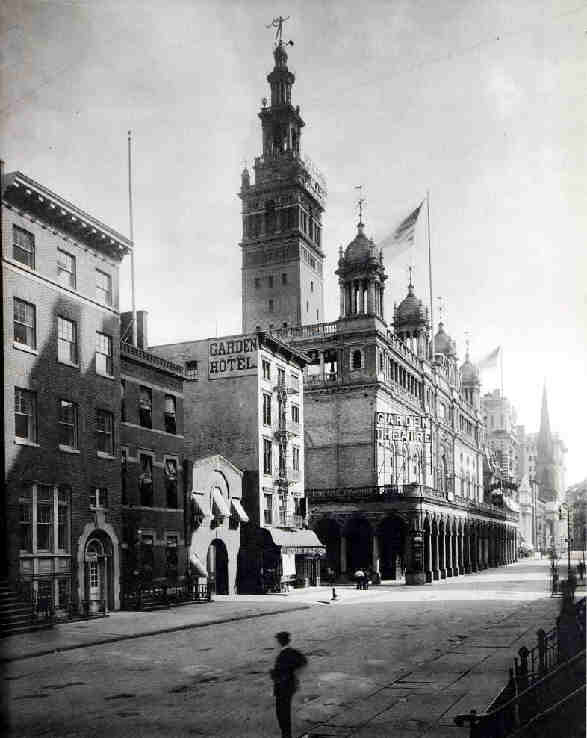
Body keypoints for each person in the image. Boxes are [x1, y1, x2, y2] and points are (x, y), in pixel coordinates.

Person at [270, 631, 307, 738]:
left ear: (279, 642)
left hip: (283, 688)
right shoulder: (293, 652)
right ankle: (286, 734)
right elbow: (303, 661)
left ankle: (286, 736)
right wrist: (294, 673)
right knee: (284, 712)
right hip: (290, 687)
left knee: (282, 713)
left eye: (276, 641)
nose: (275, 644)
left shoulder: (282, 656)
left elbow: (281, 673)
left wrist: (274, 674)